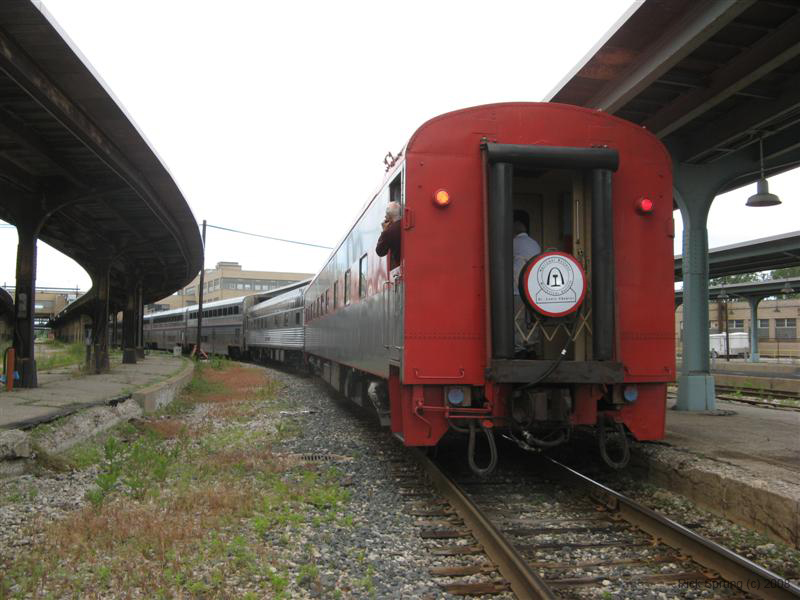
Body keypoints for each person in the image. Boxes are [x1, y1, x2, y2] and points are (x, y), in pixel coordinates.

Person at [512, 211, 541, 354]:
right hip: (533, 288)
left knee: (518, 319)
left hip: (517, 287)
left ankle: (519, 349)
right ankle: (531, 346)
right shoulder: (534, 243)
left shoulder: (514, 243)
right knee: (531, 320)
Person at [376, 201, 402, 270]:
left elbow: (380, 251)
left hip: (400, 267)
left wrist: (384, 231)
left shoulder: (389, 231)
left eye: (386, 215)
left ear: (389, 216)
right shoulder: (404, 224)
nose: (385, 217)